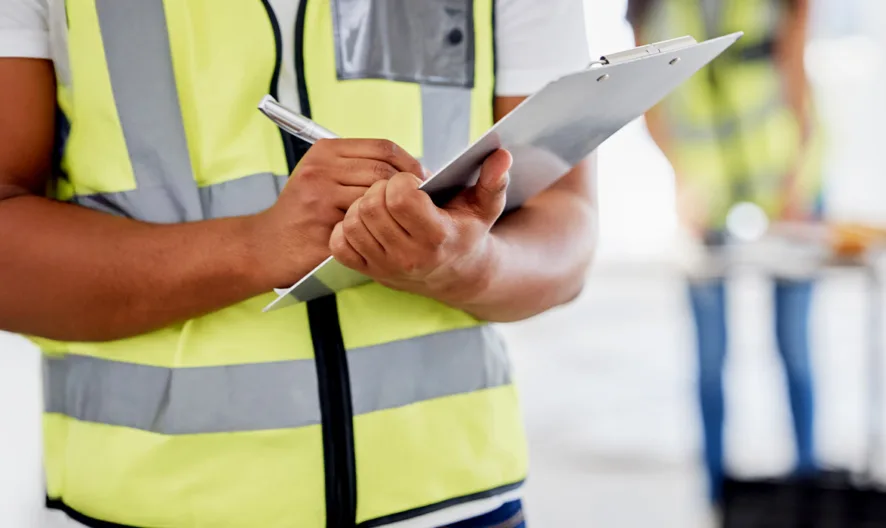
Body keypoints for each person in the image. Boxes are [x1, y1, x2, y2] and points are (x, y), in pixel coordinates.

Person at [0, 0, 595, 527]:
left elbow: (566, 223)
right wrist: (256, 247)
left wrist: (466, 266)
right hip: (151, 506)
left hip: (459, 497)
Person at [627, 0, 823, 503]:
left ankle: (809, 488)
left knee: (795, 349)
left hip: (787, 181)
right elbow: (645, 93)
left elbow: (795, 60)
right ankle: (719, 498)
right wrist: (682, 181)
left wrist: (796, 181)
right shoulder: (650, 7)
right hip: (705, 194)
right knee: (710, 360)